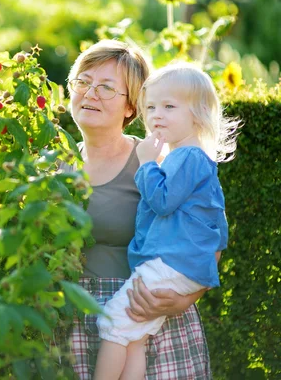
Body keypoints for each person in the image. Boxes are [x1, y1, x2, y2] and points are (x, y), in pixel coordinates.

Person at [60, 40, 215, 379]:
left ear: (132, 107)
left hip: (145, 320)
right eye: (83, 82)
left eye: (106, 87)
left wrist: (183, 300)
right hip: (69, 324)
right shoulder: (54, 166)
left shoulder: (155, 162)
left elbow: (209, 238)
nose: (90, 93)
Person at [92, 63, 237, 380]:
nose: (156, 115)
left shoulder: (186, 157)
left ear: (197, 114)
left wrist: (146, 163)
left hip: (170, 264)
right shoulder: (196, 161)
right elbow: (219, 231)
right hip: (185, 267)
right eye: (151, 107)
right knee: (135, 337)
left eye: (169, 106)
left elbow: (161, 200)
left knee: (113, 324)